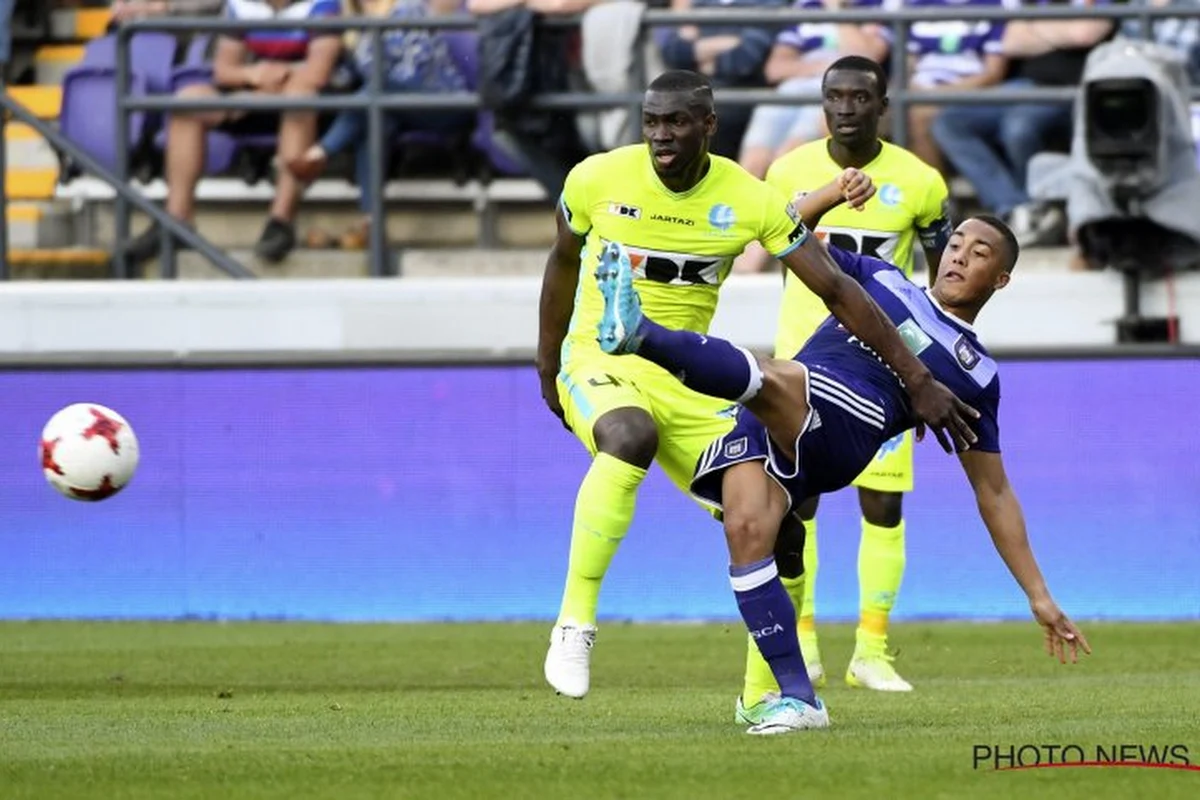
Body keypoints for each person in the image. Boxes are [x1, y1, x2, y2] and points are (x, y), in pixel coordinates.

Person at [537, 68, 977, 700]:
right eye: (652, 121)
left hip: (690, 384)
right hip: (598, 359)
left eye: (678, 122)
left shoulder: (748, 198)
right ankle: (575, 622)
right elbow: (561, 261)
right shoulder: (595, 177)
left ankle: (763, 698)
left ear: (709, 126)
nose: (662, 135)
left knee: (783, 524)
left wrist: (918, 375)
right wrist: (548, 363)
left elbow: (836, 287)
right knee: (628, 436)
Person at [592, 181, 1091, 734]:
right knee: (745, 532)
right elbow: (785, 231)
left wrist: (1039, 596)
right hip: (779, 414)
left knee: (776, 375)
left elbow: (992, 491)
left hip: (846, 422)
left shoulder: (974, 371)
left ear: (1000, 280)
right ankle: (800, 700)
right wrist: (830, 193)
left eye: (980, 254)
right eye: (957, 244)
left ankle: (640, 334)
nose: (959, 256)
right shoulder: (882, 276)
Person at [736, 55, 951, 707]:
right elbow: (766, 244)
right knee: (793, 512)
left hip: (880, 371)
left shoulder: (920, 181)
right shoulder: (789, 171)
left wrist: (929, 372)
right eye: (835, 96)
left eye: (860, 96)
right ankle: (801, 645)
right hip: (800, 367)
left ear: (883, 105)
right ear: (822, 103)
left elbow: (936, 291)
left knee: (882, 505)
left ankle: (872, 651)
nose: (846, 107)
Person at [118, 0, 344, 266]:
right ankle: (177, 220)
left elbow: (316, 74)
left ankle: (281, 222)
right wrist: (252, 75)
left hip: (314, 103)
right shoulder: (240, 6)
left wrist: (254, 94)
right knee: (187, 101)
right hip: (254, 93)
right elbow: (225, 70)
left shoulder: (324, 6)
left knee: (299, 98)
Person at [285, 0, 473, 249]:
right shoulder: (352, 21)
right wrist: (321, 59)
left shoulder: (408, 8)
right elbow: (347, 78)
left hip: (443, 102)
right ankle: (371, 224)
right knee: (374, 125)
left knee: (374, 96)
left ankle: (320, 152)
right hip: (392, 107)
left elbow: (412, 74)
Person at [932, 0, 1115, 247]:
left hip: (1068, 89)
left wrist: (1036, 28)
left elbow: (1084, 34)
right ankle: (1016, 207)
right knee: (950, 122)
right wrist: (1063, 31)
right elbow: (1009, 41)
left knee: (1018, 128)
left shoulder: (1100, 3)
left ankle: (1036, 207)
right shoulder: (1038, 3)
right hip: (1021, 86)